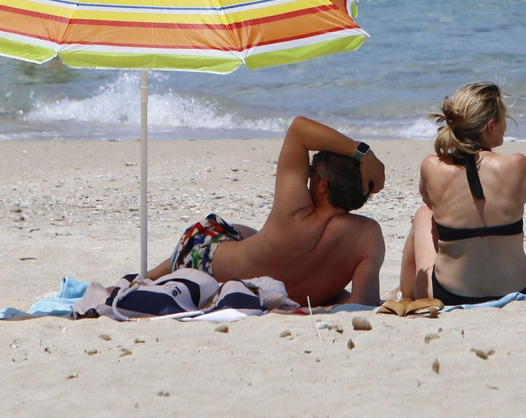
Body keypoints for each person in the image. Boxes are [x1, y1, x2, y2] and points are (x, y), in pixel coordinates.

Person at [145, 116, 386, 308]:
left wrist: (363, 153)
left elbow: (298, 129)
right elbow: (363, 303)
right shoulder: (369, 236)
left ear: (322, 184)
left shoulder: (295, 214)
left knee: (229, 231)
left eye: (311, 172)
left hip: (199, 259)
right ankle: (149, 276)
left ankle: (147, 277)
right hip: (294, 282)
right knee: (248, 233)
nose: (307, 177)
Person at [400, 81, 526, 306]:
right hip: (517, 287)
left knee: (424, 214)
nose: (506, 127)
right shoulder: (518, 164)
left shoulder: (432, 166)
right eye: (503, 120)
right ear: (491, 126)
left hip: (450, 293)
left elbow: (431, 203)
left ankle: (405, 294)